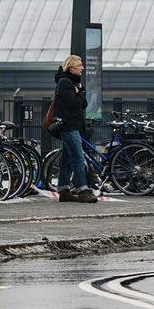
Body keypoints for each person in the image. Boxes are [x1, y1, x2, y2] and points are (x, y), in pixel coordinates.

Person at [52, 55, 92, 203]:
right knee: (77, 157)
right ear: (71, 68)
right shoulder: (64, 82)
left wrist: (80, 93)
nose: (82, 68)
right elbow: (73, 103)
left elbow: (84, 104)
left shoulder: (75, 83)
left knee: (67, 159)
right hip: (68, 126)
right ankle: (83, 190)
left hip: (73, 125)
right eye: (79, 65)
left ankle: (63, 190)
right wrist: (80, 93)